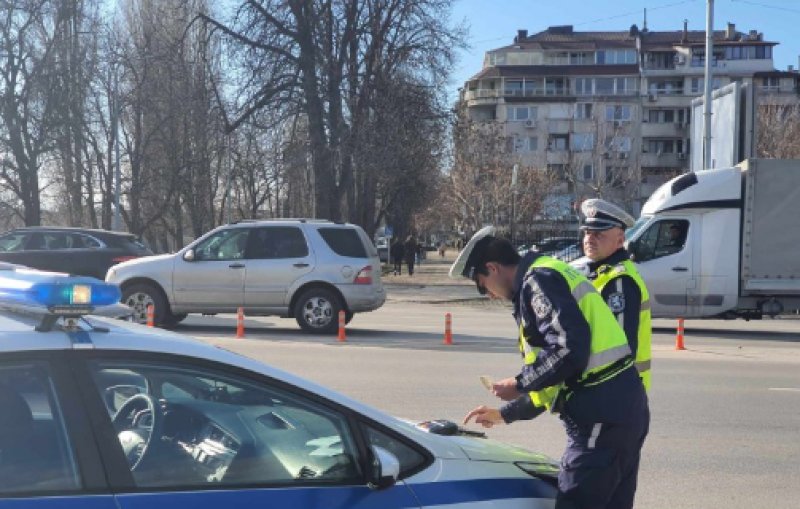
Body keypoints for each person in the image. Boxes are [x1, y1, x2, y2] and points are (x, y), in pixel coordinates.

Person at [452, 226, 649, 509]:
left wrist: (519, 384)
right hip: (619, 411)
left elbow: (569, 350)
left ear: (492, 268)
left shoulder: (538, 281)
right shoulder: (548, 272)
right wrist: (506, 414)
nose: (490, 295)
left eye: (483, 286)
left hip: (599, 419)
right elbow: (556, 375)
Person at [580, 199, 652, 391]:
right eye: (587, 232)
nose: (589, 239)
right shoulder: (600, 273)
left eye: (598, 234)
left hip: (615, 391)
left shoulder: (619, 280)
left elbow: (618, 350)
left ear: (620, 240)